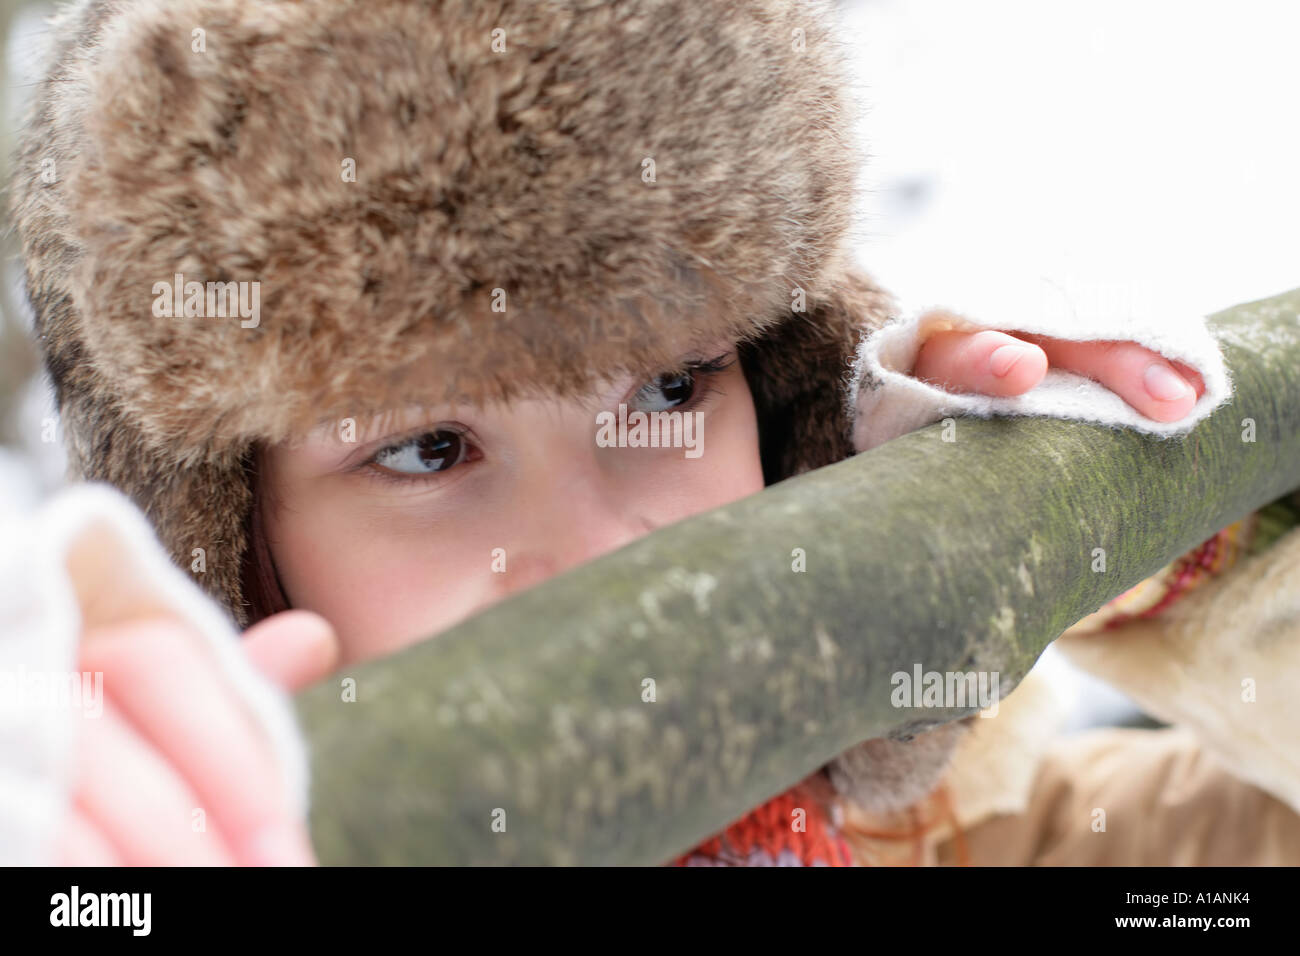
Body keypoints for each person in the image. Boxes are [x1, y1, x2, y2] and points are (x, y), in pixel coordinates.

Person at [7, 0, 1292, 867]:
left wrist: (1082, 524)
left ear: (785, 415)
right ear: (233, 548)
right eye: (426, 449)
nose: (605, 543)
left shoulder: (963, 840)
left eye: (671, 392)